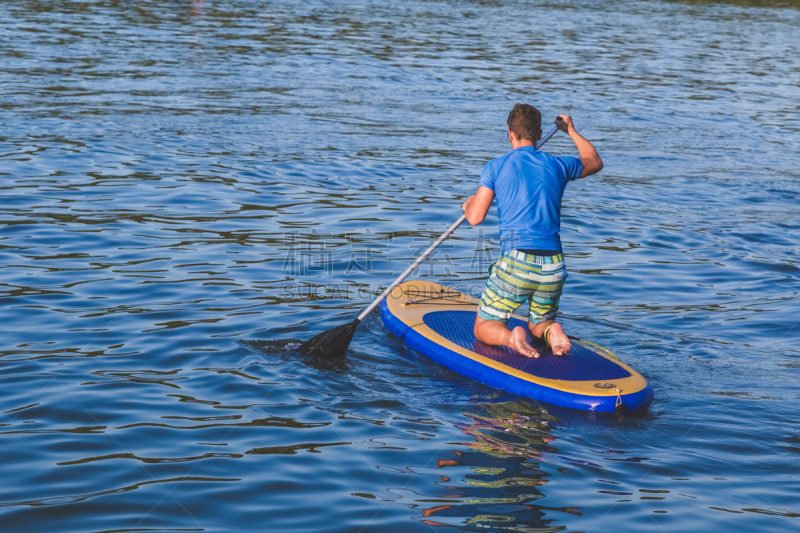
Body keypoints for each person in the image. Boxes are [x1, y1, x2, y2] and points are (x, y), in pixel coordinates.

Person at [462, 104, 603, 358]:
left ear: (510, 134)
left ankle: (510, 336)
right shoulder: (559, 164)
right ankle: (551, 331)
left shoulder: (495, 167)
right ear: (539, 135)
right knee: (538, 323)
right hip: (553, 266)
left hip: (516, 263)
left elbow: (474, 218)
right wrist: (570, 130)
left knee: (483, 327)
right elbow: (594, 162)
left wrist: (469, 202)